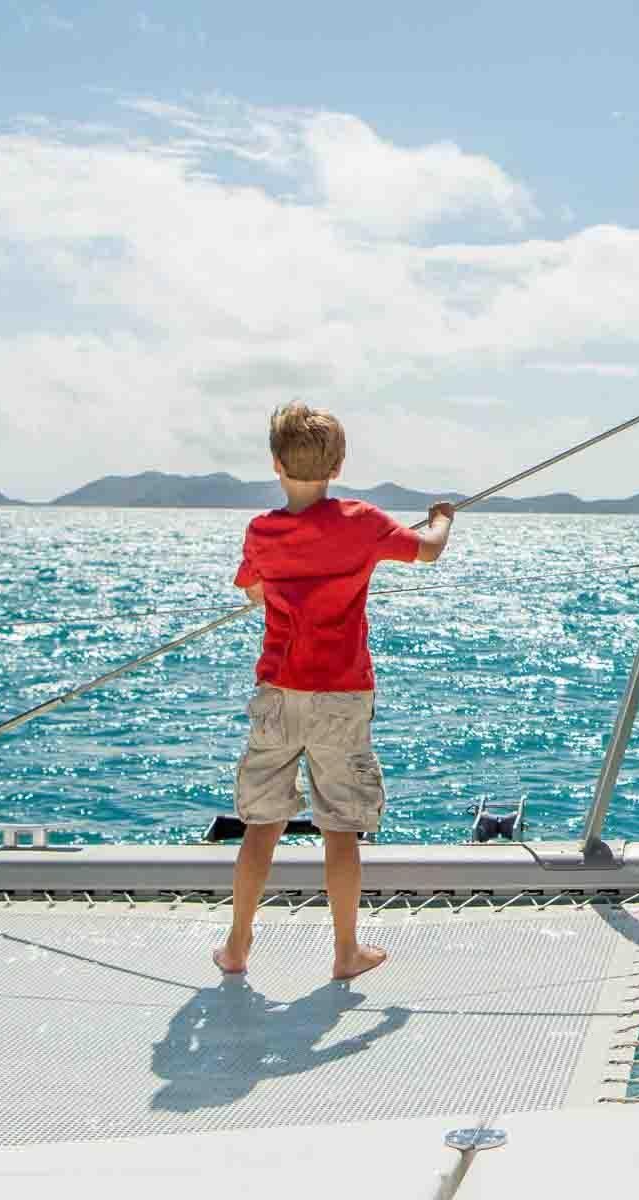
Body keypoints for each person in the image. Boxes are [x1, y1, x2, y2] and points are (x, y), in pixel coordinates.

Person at [215, 401, 454, 981]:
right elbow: (427, 550)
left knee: (261, 826)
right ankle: (346, 952)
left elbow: (250, 589)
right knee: (341, 828)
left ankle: (238, 946)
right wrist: (442, 517)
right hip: (341, 698)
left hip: (278, 694)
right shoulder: (361, 521)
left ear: (276, 464)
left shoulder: (262, 530)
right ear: (339, 463)